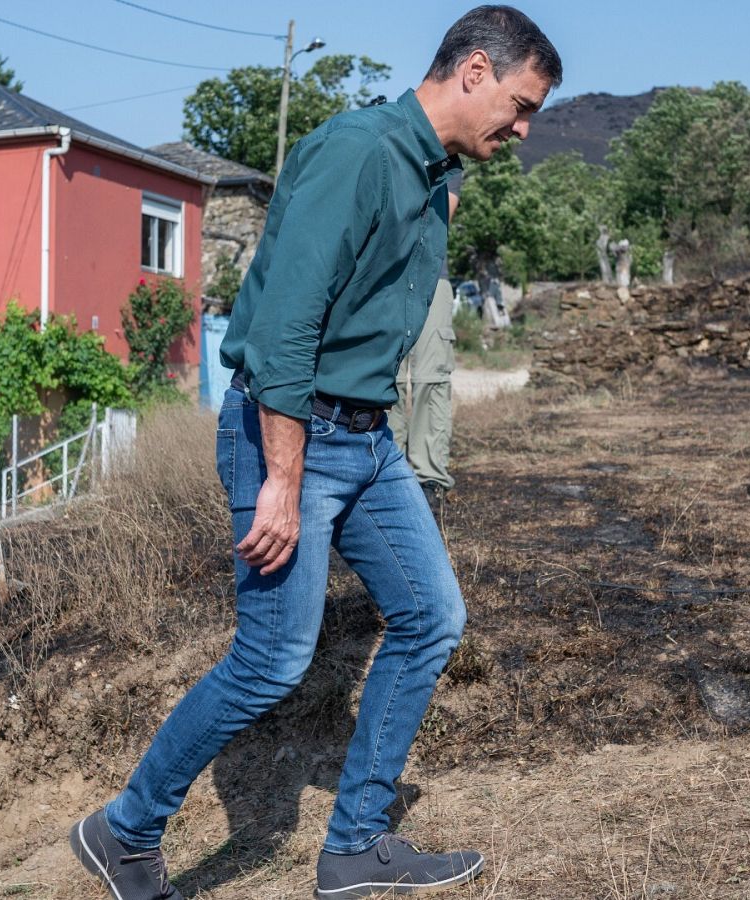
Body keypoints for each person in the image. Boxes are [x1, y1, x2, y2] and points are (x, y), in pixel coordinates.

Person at [68, 7, 562, 899]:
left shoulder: (427, 173)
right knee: (272, 659)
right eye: (521, 106)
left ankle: (355, 845)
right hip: (290, 435)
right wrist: (281, 483)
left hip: (367, 441)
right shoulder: (360, 153)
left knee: (431, 618)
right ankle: (124, 829)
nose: (522, 130)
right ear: (476, 70)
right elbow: (286, 332)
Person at [393, 174, 463, 513]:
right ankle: (384, 471)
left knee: (430, 380)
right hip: (382, 280)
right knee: (382, 377)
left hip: (431, 278)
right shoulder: (382, 147)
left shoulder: (447, 159)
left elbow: (440, 216)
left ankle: (428, 478)